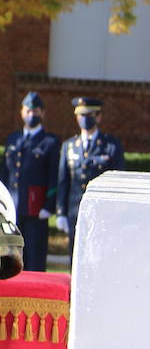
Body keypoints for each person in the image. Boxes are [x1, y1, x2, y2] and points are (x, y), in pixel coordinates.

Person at [56, 96, 125, 250]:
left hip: (102, 211)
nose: (84, 119)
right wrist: (61, 212)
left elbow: (117, 181)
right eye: (81, 115)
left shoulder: (111, 145)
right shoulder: (69, 146)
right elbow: (63, 181)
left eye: (89, 115)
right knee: (75, 254)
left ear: (98, 117)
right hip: (76, 210)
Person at [2, 91, 60, 272]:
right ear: (21, 112)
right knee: (11, 256)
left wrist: (49, 206)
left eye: (35, 111)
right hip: (13, 207)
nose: (31, 115)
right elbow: (5, 173)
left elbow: (54, 176)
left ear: (42, 113)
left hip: (36, 210)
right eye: (27, 111)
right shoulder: (13, 139)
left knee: (34, 257)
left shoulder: (50, 142)